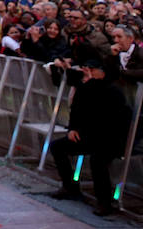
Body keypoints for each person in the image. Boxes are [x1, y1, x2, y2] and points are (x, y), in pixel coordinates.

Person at [49, 58, 130, 215]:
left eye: (93, 70)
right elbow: (76, 110)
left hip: (109, 139)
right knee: (57, 147)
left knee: (98, 160)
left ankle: (104, 202)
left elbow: (111, 119)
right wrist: (72, 129)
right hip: (88, 136)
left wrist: (89, 84)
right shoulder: (85, 88)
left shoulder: (112, 91)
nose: (89, 73)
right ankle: (70, 187)